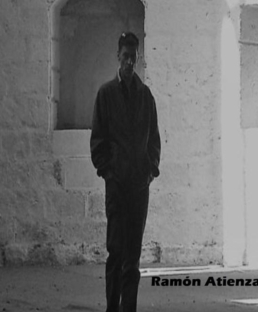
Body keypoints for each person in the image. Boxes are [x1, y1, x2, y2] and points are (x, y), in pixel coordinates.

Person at [90, 32, 161, 312]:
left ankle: (128, 308)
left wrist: (149, 171)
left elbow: (154, 140)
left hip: (139, 188)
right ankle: (112, 308)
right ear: (117, 57)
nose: (130, 62)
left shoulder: (146, 96)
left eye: (134, 57)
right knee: (116, 251)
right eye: (125, 57)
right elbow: (98, 140)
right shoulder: (106, 94)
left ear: (138, 58)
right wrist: (108, 172)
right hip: (117, 186)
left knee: (133, 256)